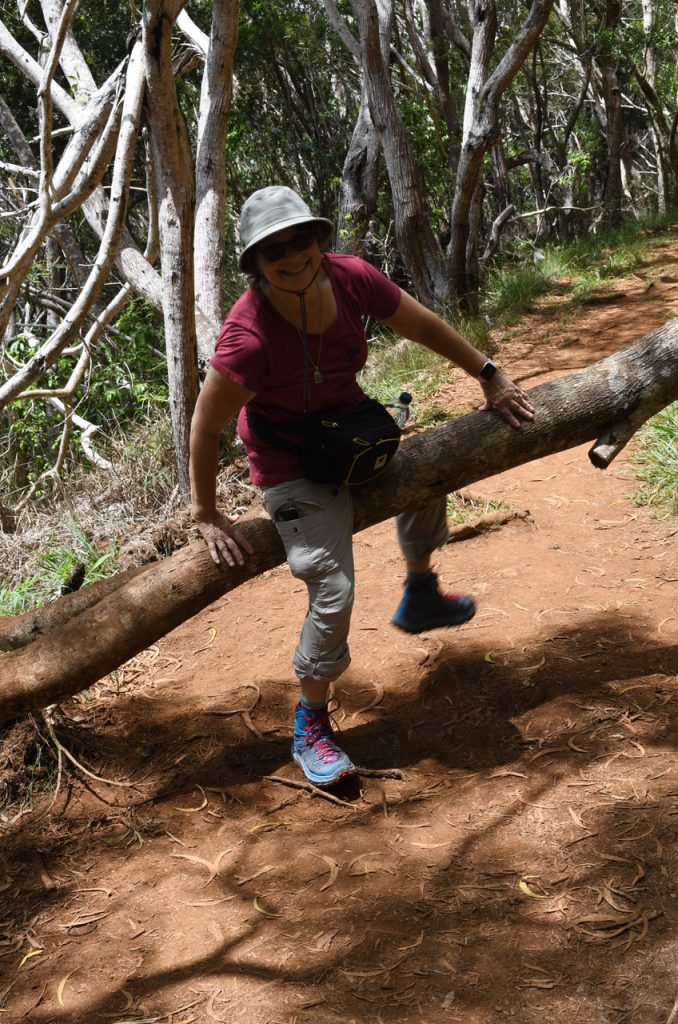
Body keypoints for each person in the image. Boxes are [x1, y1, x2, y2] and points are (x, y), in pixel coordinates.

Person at [189, 186, 534, 788]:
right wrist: (206, 514)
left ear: (319, 240)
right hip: (291, 462)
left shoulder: (350, 279)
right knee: (333, 585)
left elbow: (422, 325)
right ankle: (311, 724)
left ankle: (421, 592)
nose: (291, 255)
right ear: (256, 264)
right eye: (274, 250)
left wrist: (489, 374)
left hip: (349, 432)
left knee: (430, 473)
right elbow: (205, 423)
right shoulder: (248, 337)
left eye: (301, 241)